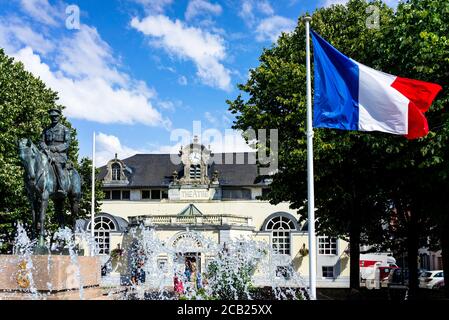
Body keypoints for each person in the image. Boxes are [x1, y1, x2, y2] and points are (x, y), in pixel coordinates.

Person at [39, 108, 71, 196]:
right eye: (52, 116)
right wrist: (46, 149)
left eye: (56, 116)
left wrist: (56, 148)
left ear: (59, 117)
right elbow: (41, 141)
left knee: (57, 165)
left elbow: (67, 143)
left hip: (60, 154)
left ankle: (62, 187)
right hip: (47, 153)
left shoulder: (65, 129)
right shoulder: (46, 130)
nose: (54, 118)